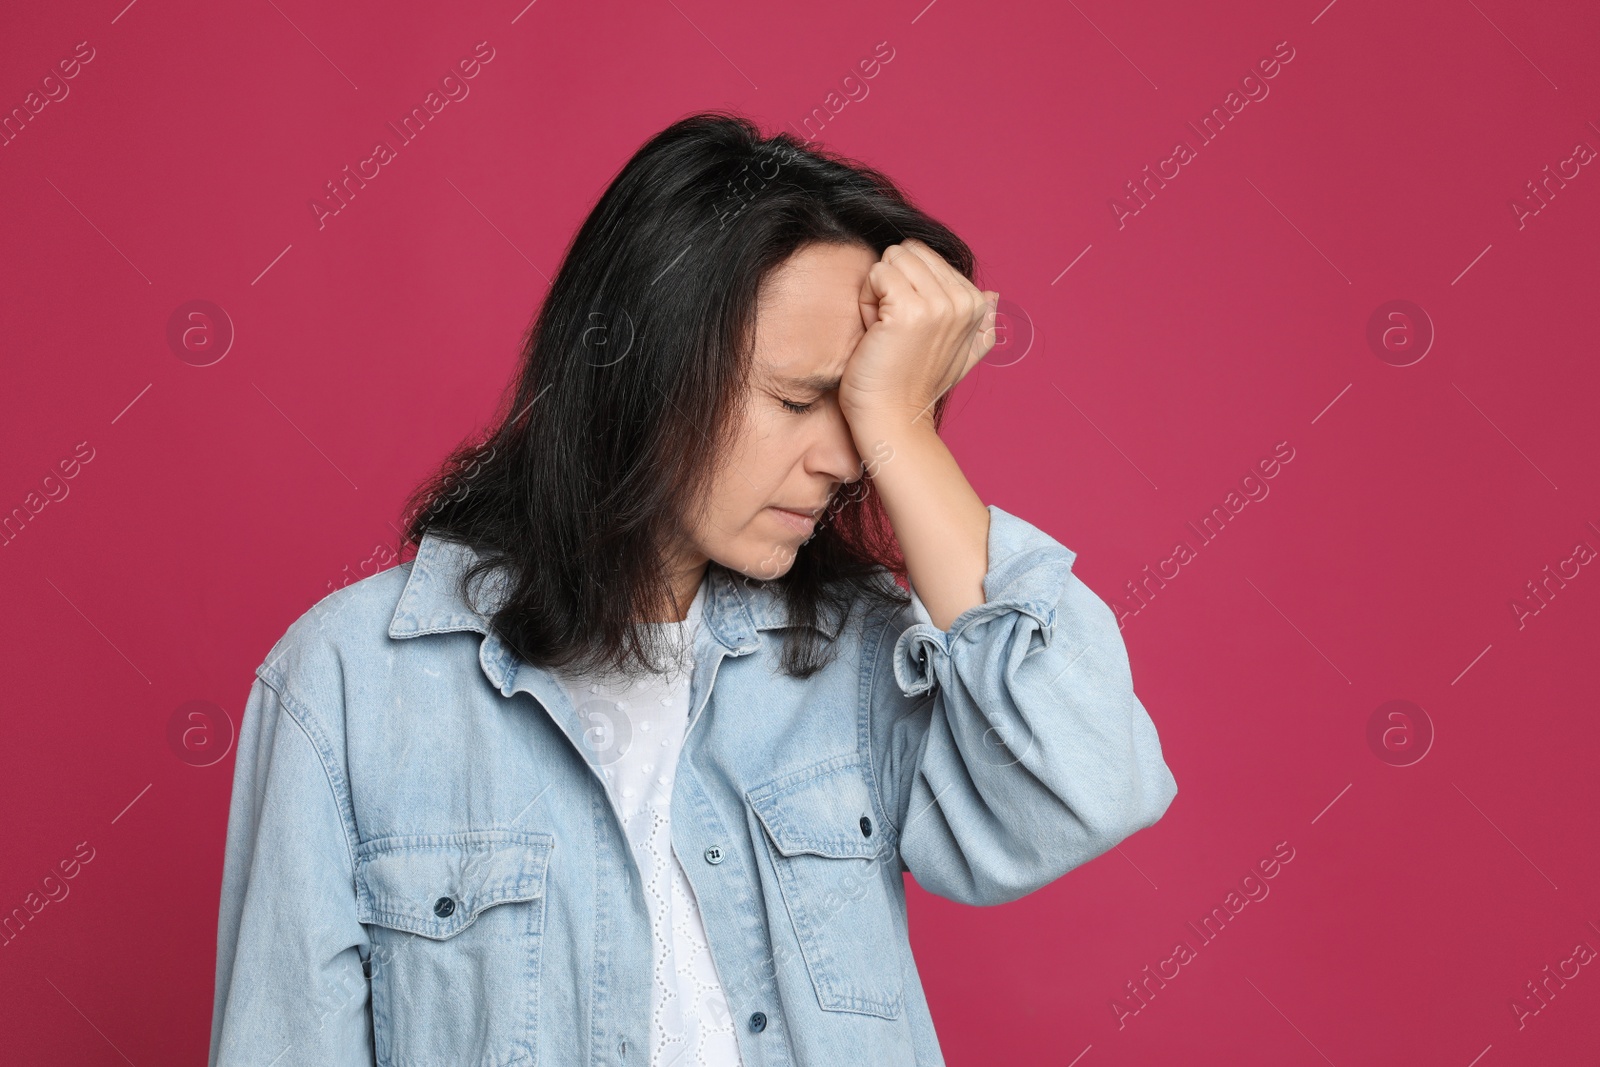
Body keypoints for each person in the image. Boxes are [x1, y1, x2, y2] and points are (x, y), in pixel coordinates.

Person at [207, 110, 1178, 1067]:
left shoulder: (855, 661)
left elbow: (1086, 784)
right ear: (639, 364)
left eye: (862, 413)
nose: (842, 460)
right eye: (800, 400)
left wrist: (904, 430)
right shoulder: (347, 686)